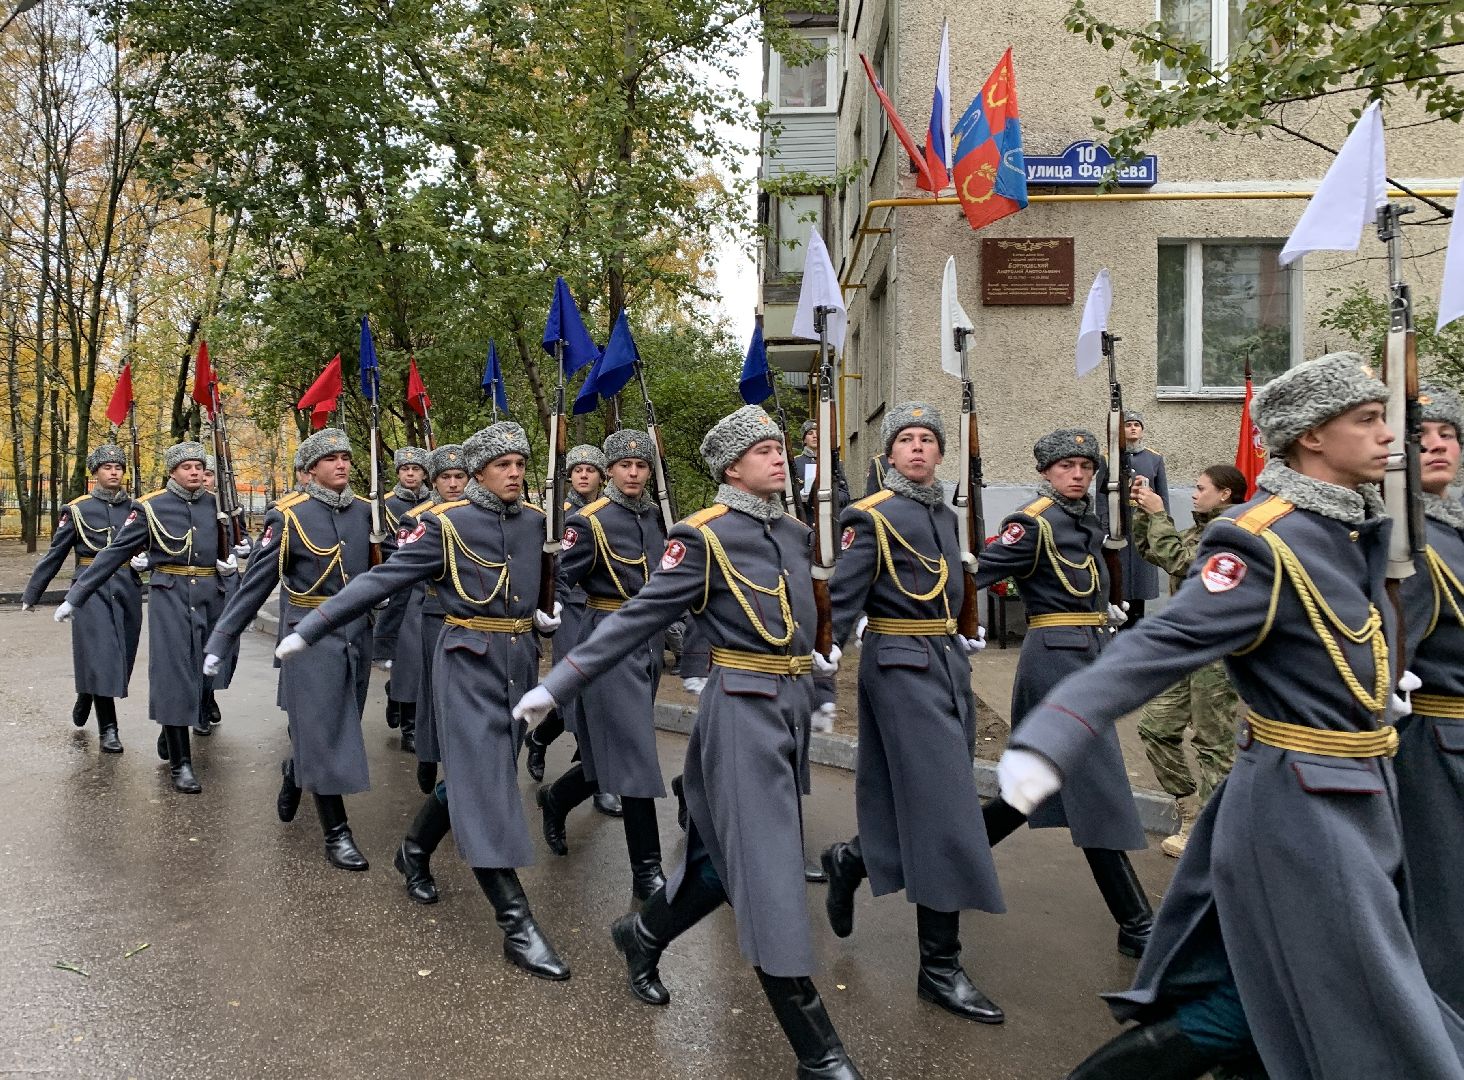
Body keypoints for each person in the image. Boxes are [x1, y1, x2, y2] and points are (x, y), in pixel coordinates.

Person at [1002, 354, 1464, 1079]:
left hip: (1359, 792)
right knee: (1352, 1009)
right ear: (1312, 437)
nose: (1391, 437)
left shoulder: (1353, 528)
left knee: (1272, 1005)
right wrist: (1055, 735)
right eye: (1369, 421)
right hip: (1301, 810)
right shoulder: (1263, 535)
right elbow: (1166, 640)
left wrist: (1380, 693)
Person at [515, 404, 862, 1080]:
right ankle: (819, 1052)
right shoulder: (701, 536)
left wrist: (819, 695)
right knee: (767, 876)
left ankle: (642, 935)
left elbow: (810, 627)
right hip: (738, 718)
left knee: (719, 865)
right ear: (731, 467)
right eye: (762, 450)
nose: (776, 458)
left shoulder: (795, 533)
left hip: (783, 716)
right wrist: (558, 684)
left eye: (778, 448)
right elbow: (635, 617)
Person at [278, 422, 570, 981]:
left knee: (472, 778)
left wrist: (534, 614)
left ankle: (413, 849)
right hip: (465, 665)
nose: (514, 473)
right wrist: (314, 625)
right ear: (479, 472)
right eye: (503, 465)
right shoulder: (441, 524)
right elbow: (380, 579)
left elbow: (526, 583)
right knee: (486, 791)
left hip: (517, 666)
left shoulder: (535, 523)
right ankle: (518, 925)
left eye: (520, 464)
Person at [818, 404, 1004, 1024]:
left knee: (925, 805)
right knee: (948, 812)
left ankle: (849, 860)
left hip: (946, 665)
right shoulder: (868, 516)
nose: (919, 449)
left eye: (928, 441)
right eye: (907, 441)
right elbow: (840, 600)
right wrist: (818, 669)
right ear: (889, 454)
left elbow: (954, 584)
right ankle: (939, 968)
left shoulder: (946, 515)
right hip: (900, 667)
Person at [970, 428, 1153, 958]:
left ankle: (942, 862)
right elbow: (977, 574)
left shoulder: (1085, 523)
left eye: (1086, 467)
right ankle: (1136, 922)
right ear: (1047, 472)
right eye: (1067, 466)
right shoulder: (1032, 523)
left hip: (1086, 657)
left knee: (1028, 790)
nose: (1077, 474)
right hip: (1054, 661)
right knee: (1097, 787)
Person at [204, 428, 376, 870]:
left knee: (342, 725)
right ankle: (337, 833)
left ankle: (295, 770)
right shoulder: (289, 516)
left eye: (346, 457)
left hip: (355, 633)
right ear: (311, 469)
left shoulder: (365, 513)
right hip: (308, 637)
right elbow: (254, 584)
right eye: (331, 458)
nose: (342, 465)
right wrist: (222, 640)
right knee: (322, 729)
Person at [58, 441, 246, 794]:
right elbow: (114, 553)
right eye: (186, 467)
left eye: (198, 466)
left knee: (206, 670)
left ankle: (170, 728)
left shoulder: (217, 507)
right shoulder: (151, 507)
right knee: (174, 674)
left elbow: (234, 542)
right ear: (173, 471)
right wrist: (77, 595)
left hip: (211, 596)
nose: (194, 472)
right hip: (169, 595)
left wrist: (235, 559)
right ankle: (181, 763)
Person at [535, 431, 668, 900]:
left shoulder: (658, 519)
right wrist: (543, 609)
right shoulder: (589, 521)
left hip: (647, 646)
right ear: (609, 470)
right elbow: (555, 576)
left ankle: (556, 798)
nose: (633, 473)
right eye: (624, 465)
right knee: (634, 752)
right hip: (607, 645)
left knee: (607, 755)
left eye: (641, 465)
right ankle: (646, 870)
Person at [1130, 464, 1246, 857]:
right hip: (1186, 650)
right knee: (1155, 728)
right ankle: (1191, 807)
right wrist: (1144, 515)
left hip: (1215, 654)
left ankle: (1213, 834)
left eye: (1200, 488)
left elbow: (1185, 565)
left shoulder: (1231, 532)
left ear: (1225, 494)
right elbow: (1155, 551)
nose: (1194, 494)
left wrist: (1160, 513)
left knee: (1214, 744)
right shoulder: (1202, 529)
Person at [1397, 382, 1464, 1017]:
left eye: (1449, 436)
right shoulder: (1409, 539)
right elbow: (1391, 656)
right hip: (1436, 748)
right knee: (1445, 906)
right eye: (1422, 438)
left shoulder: (1454, 528)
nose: (1438, 446)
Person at [22, 444, 142, 753]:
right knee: (102, 656)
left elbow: (159, 545)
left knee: (122, 657)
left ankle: (87, 692)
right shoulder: (76, 509)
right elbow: (55, 554)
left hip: (127, 586)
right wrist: (33, 592)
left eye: (118, 467)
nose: (114, 472)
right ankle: (109, 729)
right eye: (107, 468)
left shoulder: (137, 508)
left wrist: (148, 561)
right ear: (95, 474)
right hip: (90, 591)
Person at [524, 444, 609, 801]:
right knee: (573, 688)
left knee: (599, 692)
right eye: (578, 470)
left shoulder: (612, 510)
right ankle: (550, 744)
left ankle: (584, 768)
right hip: (570, 608)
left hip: (604, 610)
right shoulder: (557, 513)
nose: (584, 475)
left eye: (591, 470)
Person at [407, 443, 468, 798]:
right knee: (433, 690)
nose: (454, 483)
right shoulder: (417, 518)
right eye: (446, 476)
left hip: (473, 616)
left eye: (460, 476)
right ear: (434, 480)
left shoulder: (480, 513)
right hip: (434, 613)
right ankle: (429, 755)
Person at [377, 447, 431, 741]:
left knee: (422, 658)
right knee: (409, 658)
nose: (410, 474)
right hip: (399, 588)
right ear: (398, 473)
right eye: (405, 469)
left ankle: (397, 695)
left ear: (424, 473)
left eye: (416, 469)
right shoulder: (384, 504)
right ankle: (410, 725)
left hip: (429, 585)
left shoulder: (437, 504)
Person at [1096, 410, 1169, 626]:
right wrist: (1105, 526)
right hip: (1120, 528)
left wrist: (1163, 524)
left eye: (1137, 424)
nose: (1133, 428)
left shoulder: (1154, 458)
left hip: (1144, 529)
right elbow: (1101, 496)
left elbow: (1162, 495)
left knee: (1141, 581)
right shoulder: (1108, 459)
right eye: (1128, 425)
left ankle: (1138, 624)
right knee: (1119, 578)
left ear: (1143, 430)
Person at [792, 419, 851, 524]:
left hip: (831, 522)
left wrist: (829, 495)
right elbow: (787, 496)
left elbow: (845, 495)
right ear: (804, 440)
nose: (815, 436)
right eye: (810, 433)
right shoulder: (795, 463)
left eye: (817, 433)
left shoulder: (834, 462)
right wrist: (800, 497)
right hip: (806, 521)